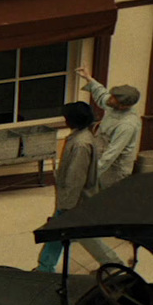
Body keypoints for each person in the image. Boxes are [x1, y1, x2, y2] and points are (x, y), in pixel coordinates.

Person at [38, 102, 122, 272]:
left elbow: (76, 178)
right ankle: (45, 267)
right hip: (70, 199)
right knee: (57, 233)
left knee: (86, 237)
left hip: (75, 201)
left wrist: (67, 207)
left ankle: (115, 266)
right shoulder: (80, 137)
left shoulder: (81, 144)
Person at [76, 68, 142, 189]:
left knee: (109, 199)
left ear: (123, 106)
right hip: (101, 160)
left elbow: (112, 154)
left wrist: (92, 174)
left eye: (113, 99)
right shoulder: (114, 106)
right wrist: (88, 78)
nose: (109, 100)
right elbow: (101, 95)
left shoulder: (127, 125)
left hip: (115, 169)